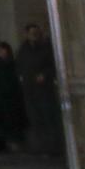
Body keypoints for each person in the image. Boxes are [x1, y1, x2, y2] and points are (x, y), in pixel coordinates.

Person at [16, 22, 62, 155]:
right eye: (31, 33)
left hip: (44, 89)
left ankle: (53, 147)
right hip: (30, 89)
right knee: (35, 119)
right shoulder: (23, 50)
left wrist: (45, 75)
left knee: (48, 117)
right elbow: (19, 66)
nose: (33, 36)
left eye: (35, 33)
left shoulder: (45, 48)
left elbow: (52, 65)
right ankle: (41, 147)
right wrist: (22, 77)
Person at [0, 41, 28, 154]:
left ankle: (13, 143)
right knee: (0, 123)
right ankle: (1, 145)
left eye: (4, 50)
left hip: (12, 98)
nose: (2, 53)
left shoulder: (12, 64)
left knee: (12, 121)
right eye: (0, 51)